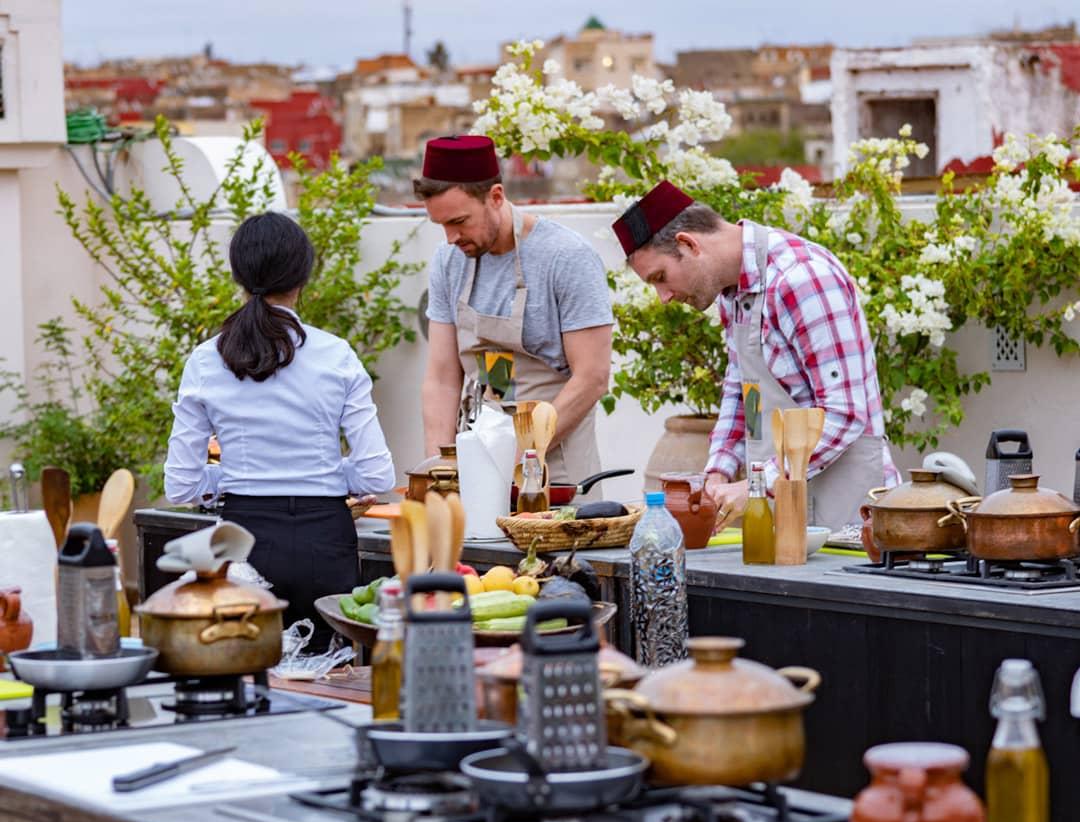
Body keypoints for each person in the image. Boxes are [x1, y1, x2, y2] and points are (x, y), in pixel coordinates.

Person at [165, 212, 395, 650]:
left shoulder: (205, 360)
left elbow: (181, 485)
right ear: (303, 275)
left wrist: (232, 478)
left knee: (249, 674)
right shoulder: (336, 355)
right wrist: (325, 474)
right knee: (333, 684)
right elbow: (377, 477)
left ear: (238, 275)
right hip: (325, 542)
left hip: (243, 543)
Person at [613, 181, 898, 532]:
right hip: (787, 507)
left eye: (661, 277)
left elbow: (846, 412)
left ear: (689, 244)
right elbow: (746, 392)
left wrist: (759, 486)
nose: (664, 297)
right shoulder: (733, 293)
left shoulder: (802, 279)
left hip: (848, 510)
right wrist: (718, 472)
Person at [415, 134, 613, 489]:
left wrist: (521, 456)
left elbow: (592, 377)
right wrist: (440, 472)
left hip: (556, 469)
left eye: (459, 221)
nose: (450, 237)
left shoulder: (566, 257)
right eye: (441, 225)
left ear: (496, 196)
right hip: (478, 458)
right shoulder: (448, 262)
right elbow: (443, 379)